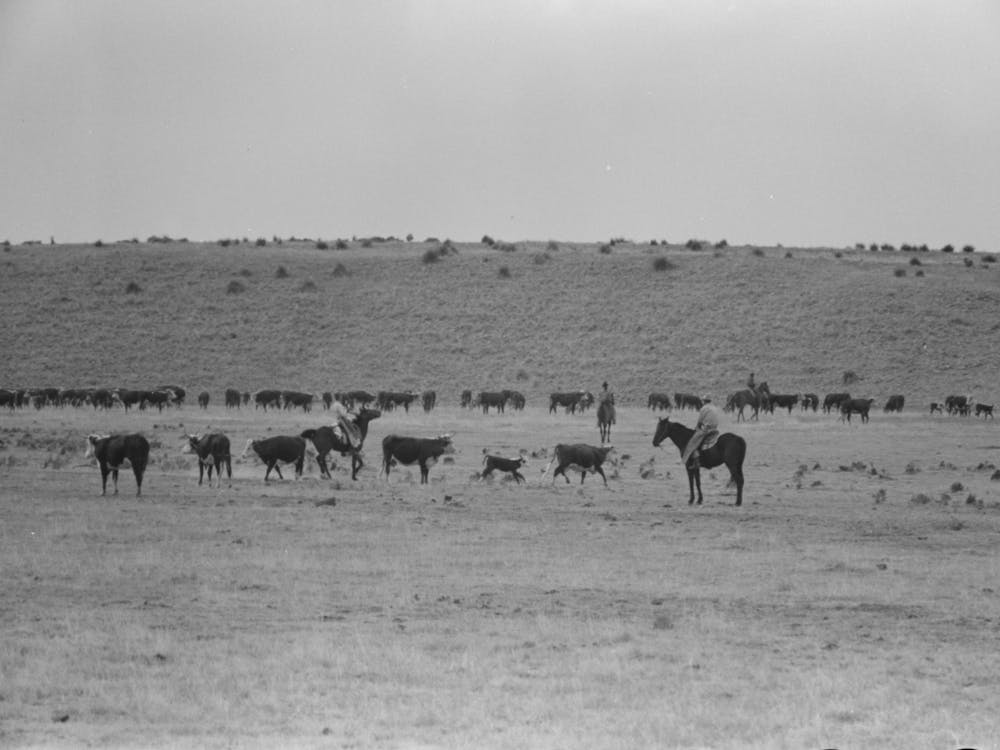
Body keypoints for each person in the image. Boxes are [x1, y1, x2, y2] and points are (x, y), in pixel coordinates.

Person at [681, 396, 721, 468]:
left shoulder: (704, 408)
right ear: (710, 401)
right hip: (715, 428)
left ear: (704, 401)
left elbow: (700, 421)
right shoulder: (714, 407)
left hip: (706, 429)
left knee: (692, 443)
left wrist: (697, 428)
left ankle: (697, 462)